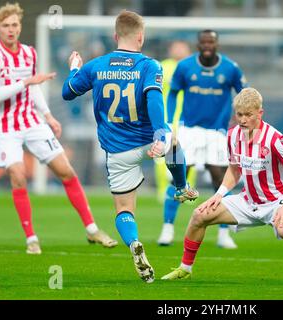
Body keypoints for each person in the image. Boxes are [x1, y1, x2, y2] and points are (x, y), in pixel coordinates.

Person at [161, 88, 283, 287]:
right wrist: (219, 195)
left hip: (277, 201)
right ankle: (185, 269)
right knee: (199, 215)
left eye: (248, 115)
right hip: (248, 200)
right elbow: (234, 170)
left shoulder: (276, 140)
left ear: (259, 113)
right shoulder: (232, 135)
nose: (243, 120)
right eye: (239, 115)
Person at [62, 10, 199, 283]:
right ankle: (182, 186)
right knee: (173, 143)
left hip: (118, 149)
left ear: (115, 36)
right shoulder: (150, 65)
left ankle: (134, 243)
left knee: (124, 210)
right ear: (141, 36)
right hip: (148, 140)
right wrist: (161, 131)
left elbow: (67, 92)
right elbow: (153, 99)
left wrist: (75, 68)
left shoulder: (96, 65)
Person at [0, 2, 117, 255]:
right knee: (18, 175)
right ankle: (31, 238)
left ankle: (92, 229)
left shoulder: (28, 53)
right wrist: (26, 81)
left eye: (15, 25)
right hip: (5, 127)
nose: (12, 30)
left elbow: (33, 89)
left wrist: (48, 116)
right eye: (6, 25)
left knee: (65, 170)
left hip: (32, 121)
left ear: (20, 27)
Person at [157, 30, 248, 249]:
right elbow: (172, 94)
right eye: (204, 42)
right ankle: (167, 229)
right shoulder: (185, 66)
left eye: (211, 42)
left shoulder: (230, 68)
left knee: (220, 179)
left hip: (217, 132)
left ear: (217, 44)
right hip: (190, 130)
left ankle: (224, 234)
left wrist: (241, 121)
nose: (207, 45)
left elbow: (243, 94)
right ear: (198, 45)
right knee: (179, 176)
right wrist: (170, 123)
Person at [154, 40, 192, 203]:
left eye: (182, 47)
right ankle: (164, 191)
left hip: (187, 119)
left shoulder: (192, 67)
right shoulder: (162, 66)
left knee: (189, 157)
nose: (178, 50)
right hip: (165, 119)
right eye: (175, 47)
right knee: (162, 157)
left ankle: (187, 190)